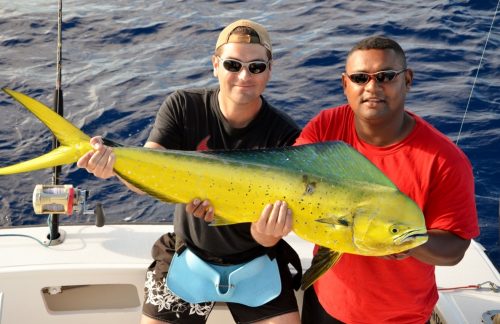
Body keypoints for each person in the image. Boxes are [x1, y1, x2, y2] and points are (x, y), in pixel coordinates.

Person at [77, 19, 302, 324]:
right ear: (215, 65)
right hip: (188, 251)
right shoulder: (183, 106)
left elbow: (265, 238)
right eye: (233, 65)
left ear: (269, 69)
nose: (244, 76)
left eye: (256, 67)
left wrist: (268, 233)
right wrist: (116, 167)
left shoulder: (286, 136)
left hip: (257, 258)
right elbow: (149, 173)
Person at [297, 36, 480, 324]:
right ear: (346, 85)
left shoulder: (445, 159)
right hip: (326, 303)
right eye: (360, 78)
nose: (372, 87)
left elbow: (456, 248)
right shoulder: (325, 126)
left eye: (385, 76)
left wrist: (406, 243)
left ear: (407, 80)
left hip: (399, 317)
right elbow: (290, 183)